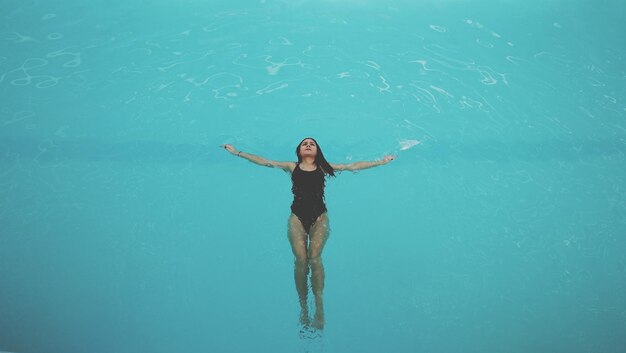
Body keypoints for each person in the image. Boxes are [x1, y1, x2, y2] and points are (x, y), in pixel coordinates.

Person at [222, 137, 395, 331]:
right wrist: (236, 152)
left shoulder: (324, 168)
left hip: (320, 218)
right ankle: (303, 307)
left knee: (314, 258)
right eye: (304, 143)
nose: (308, 144)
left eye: (312, 143)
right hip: (297, 218)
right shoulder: (291, 166)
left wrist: (380, 162)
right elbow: (264, 161)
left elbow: (353, 166)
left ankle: (319, 308)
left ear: (317, 151)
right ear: (299, 151)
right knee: (301, 261)